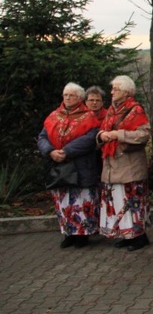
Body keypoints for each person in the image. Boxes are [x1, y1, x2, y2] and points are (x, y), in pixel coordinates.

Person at [38, 82, 101, 248]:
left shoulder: (89, 117)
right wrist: (51, 151)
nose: (67, 98)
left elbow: (89, 139)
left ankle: (82, 235)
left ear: (79, 98)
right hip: (59, 166)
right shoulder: (54, 116)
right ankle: (68, 233)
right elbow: (42, 137)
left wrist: (66, 151)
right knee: (63, 201)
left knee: (80, 202)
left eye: (71, 95)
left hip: (80, 166)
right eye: (65, 95)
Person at [97, 75, 151, 251]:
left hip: (129, 165)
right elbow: (102, 131)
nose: (112, 92)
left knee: (132, 202)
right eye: (112, 88)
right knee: (118, 201)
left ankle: (138, 236)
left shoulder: (136, 110)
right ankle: (125, 234)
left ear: (127, 92)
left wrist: (117, 135)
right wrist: (101, 136)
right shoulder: (111, 111)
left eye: (116, 89)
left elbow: (143, 135)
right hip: (112, 164)